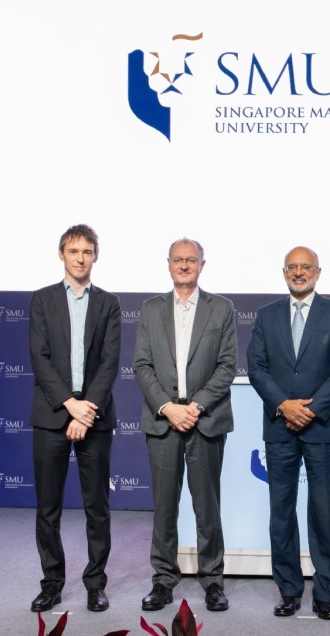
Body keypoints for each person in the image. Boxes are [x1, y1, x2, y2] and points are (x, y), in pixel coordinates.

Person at [247, 246, 330, 621]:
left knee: (324, 512)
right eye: (292, 267)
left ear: (318, 272)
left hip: (321, 426)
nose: (298, 272)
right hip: (279, 424)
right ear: (283, 273)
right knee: (281, 511)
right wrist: (285, 405)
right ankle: (289, 591)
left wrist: (308, 409)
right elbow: (256, 368)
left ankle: (324, 593)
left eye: (305, 267)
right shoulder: (265, 316)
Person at [133, 238, 236, 613]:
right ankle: (163, 581)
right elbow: (141, 366)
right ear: (169, 264)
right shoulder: (149, 309)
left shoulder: (222, 309)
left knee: (207, 506)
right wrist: (167, 407)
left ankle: (212, 581)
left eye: (191, 259)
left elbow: (227, 365)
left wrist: (195, 406)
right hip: (164, 421)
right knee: (164, 507)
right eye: (178, 259)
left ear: (202, 264)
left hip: (204, 420)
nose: (184, 265)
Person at [27, 224, 121, 613]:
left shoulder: (109, 304)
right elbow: (39, 358)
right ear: (61, 255)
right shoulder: (41, 300)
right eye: (73, 251)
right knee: (48, 508)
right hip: (53, 415)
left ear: (95, 255)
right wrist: (70, 404)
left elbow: (109, 363)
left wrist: (87, 410)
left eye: (87, 251)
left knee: (96, 507)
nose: (80, 257)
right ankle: (51, 583)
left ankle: (95, 584)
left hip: (94, 417)